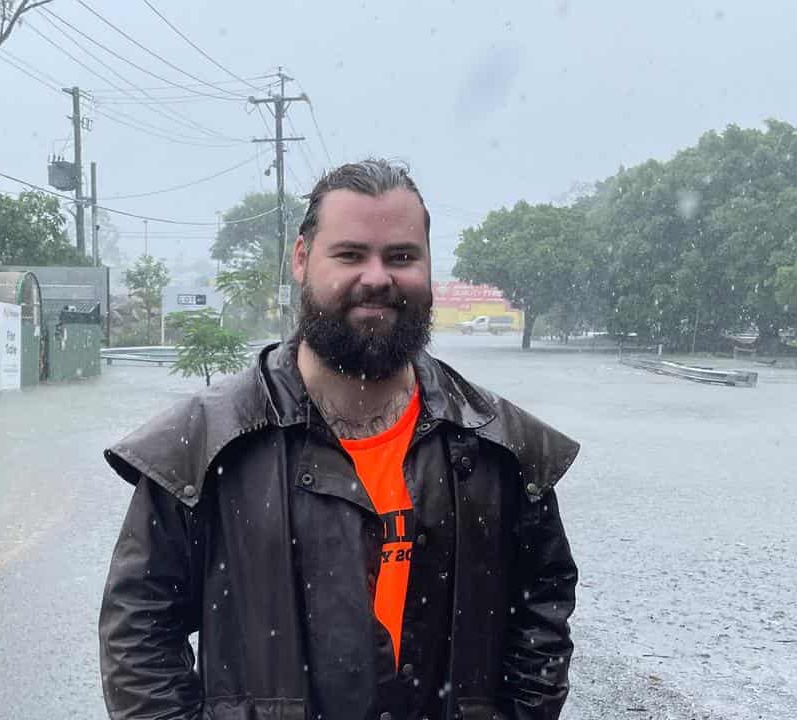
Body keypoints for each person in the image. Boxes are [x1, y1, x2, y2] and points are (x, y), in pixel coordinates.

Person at [99, 159, 579, 720]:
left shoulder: (499, 445)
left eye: (401, 256)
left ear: (427, 268)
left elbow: (541, 609)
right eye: (350, 254)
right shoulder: (204, 447)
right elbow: (139, 634)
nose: (376, 277)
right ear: (302, 260)